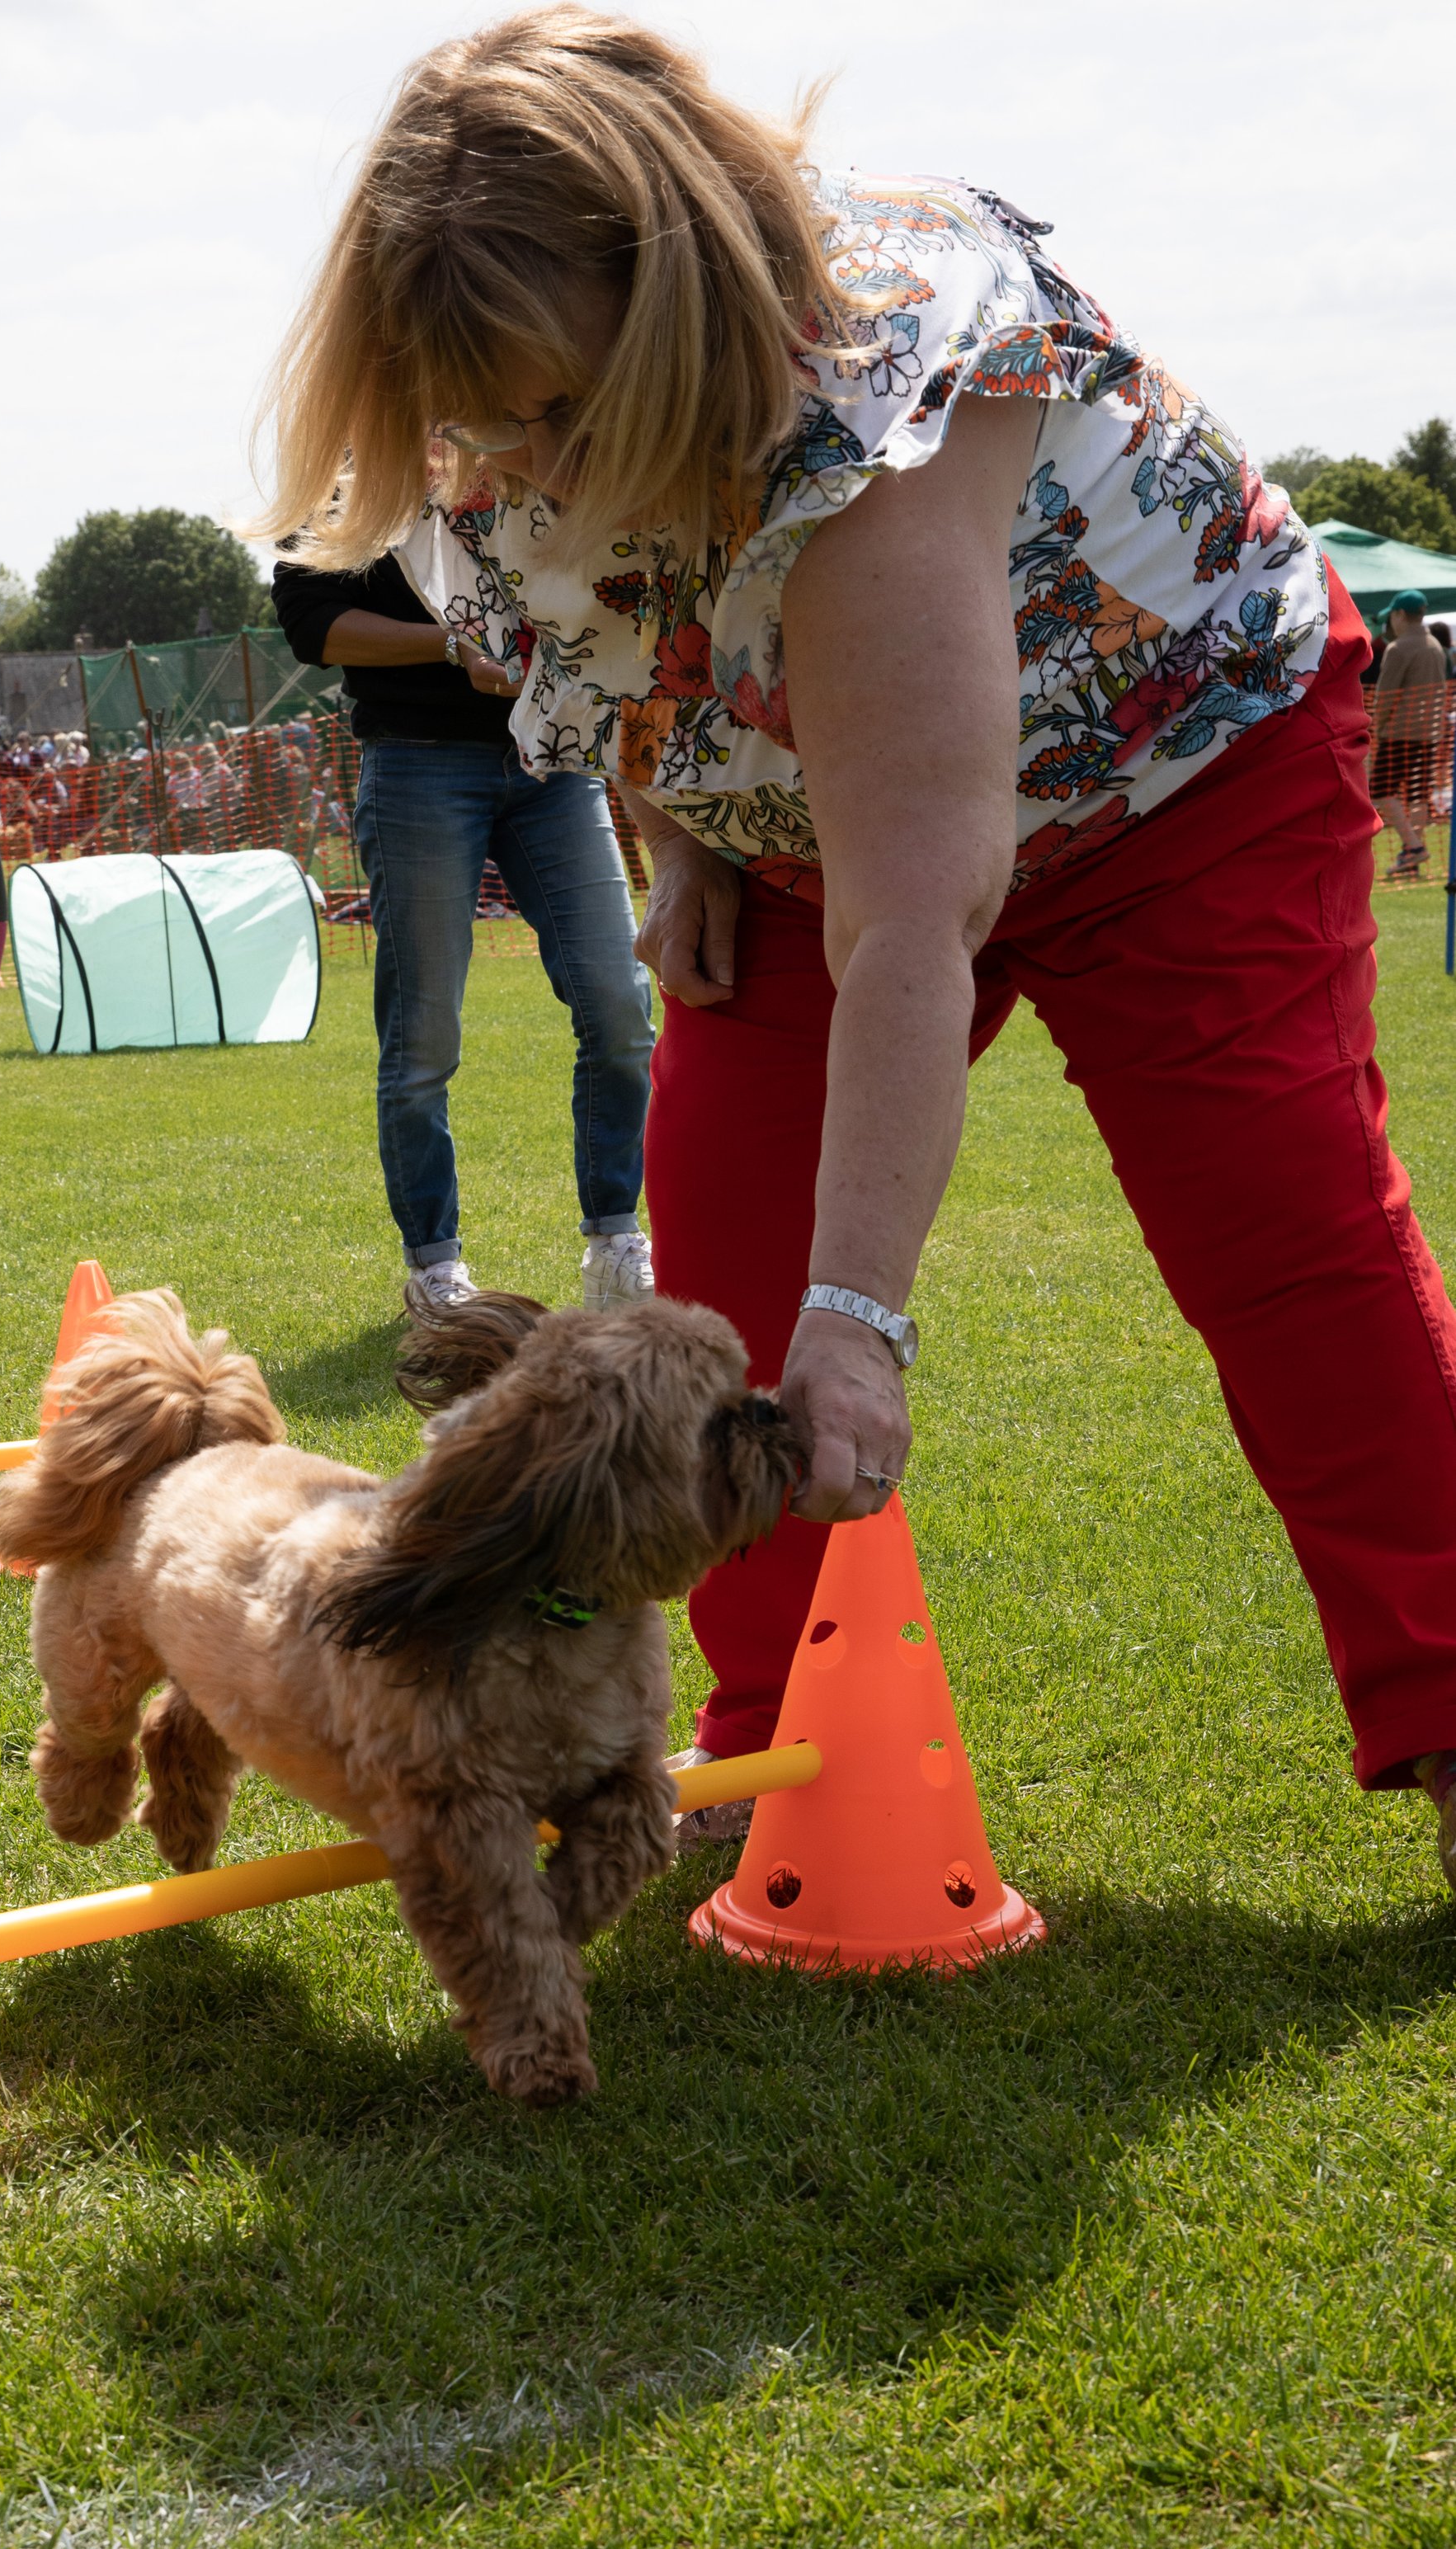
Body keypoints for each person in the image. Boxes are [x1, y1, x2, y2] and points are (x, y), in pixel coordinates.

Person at [257, 9, 1456, 1869]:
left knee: (1278, 1233)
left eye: (560, 409)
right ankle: (762, 1761)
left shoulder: (883, 383)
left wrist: (859, 1324)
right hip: (810, 845)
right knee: (712, 1284)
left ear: (666, 312)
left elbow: (921, 904)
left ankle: (1452, 1711)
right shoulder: (479, 418)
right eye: (490, 416)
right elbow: (597, 644)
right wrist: (687, 839)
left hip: (1176, 770)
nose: (524, 454)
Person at [273, 545, 656, 1308]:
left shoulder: (525, 450)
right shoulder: (347, 481)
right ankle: (435, 1268)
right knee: (424, 1041)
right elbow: (313, 625)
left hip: (554, 759)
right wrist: (450, 645)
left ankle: (616, 1243)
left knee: (620, 1005)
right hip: (417, 763)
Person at [1371, 591, 1447, 879]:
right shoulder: (1435, 646)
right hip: (1429, 733)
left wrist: (1377, 728)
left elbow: (1385, 696)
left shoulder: (1399, 648)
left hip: (1398, 733)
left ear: (1400, 614)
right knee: (1417, 795)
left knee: (1379, 792)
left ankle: (1413, 848)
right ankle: (1412, 856)